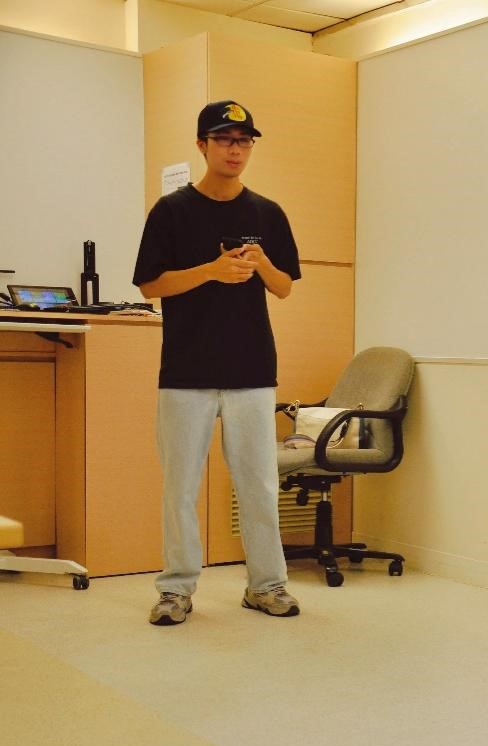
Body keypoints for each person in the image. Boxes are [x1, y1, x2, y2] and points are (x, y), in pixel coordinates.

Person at [133, 100, 301, 625]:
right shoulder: (172, 211)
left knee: (259, 486)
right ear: (202, 145)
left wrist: (262, 264)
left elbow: (284, 287)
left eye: (244, 140)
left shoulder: (268, 213)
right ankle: (175, 590)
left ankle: (266, 586)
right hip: (187, 371)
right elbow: (149, 285)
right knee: (180, 488)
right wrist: (209, 270)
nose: (235, 149)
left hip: (252, 369)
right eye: (225, 139)